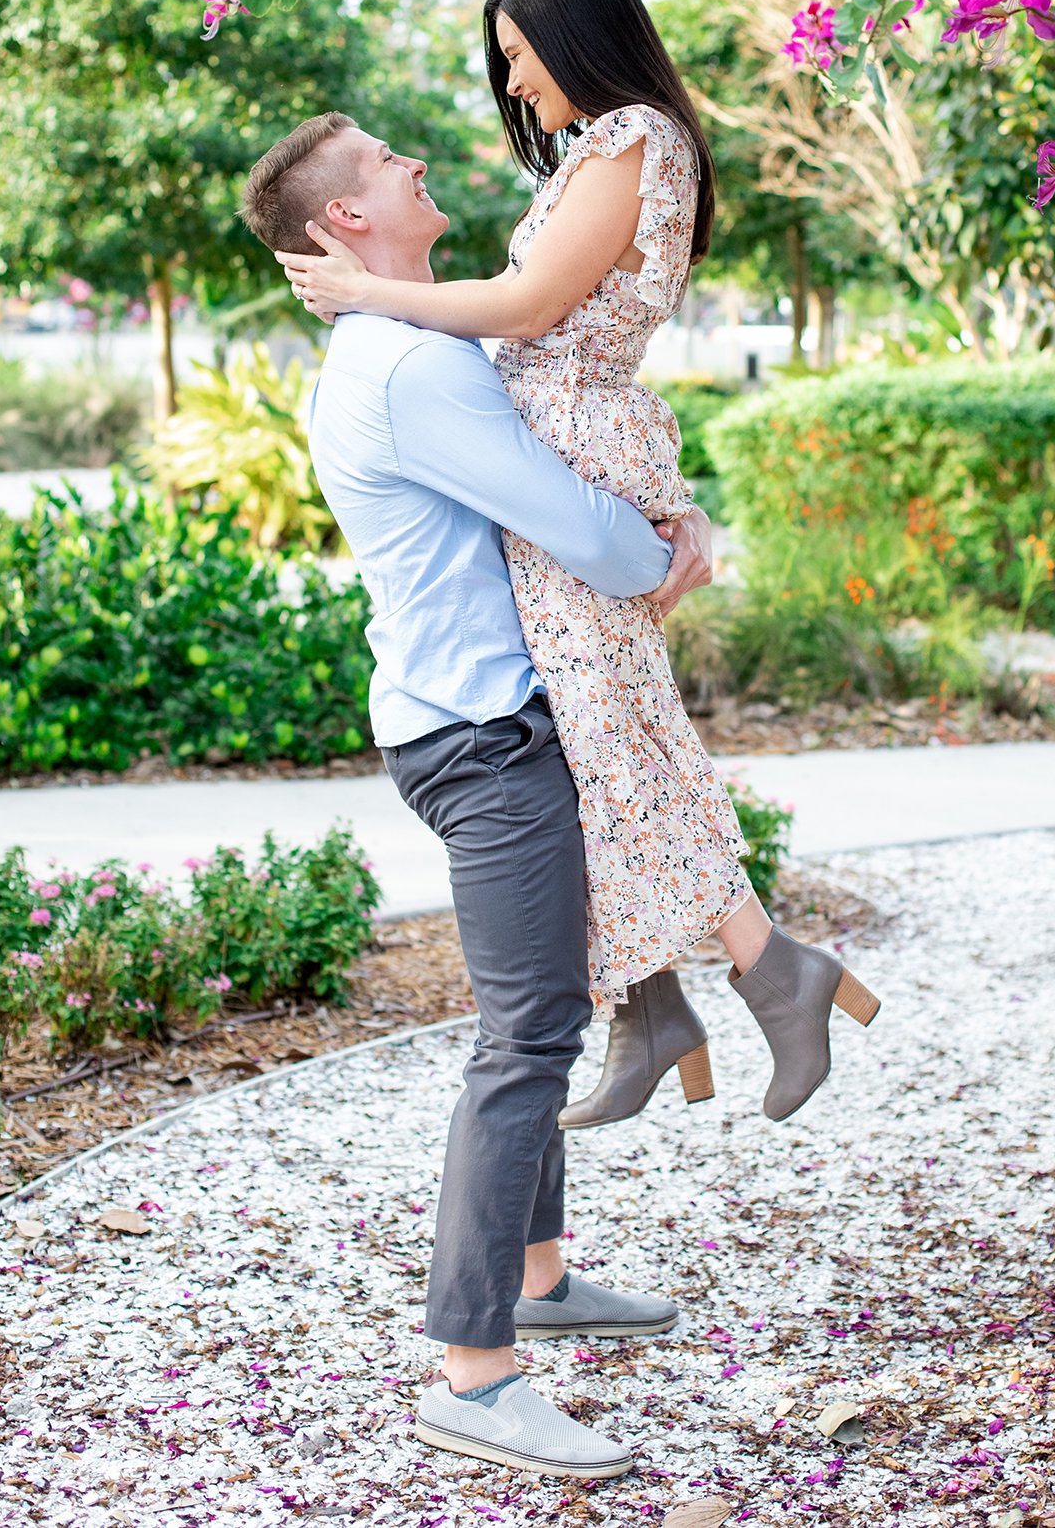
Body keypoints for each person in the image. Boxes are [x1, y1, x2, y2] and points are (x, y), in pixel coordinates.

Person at [275, 0, 879, 1135]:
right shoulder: (598, 149)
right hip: (559, 441)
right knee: (595, 743)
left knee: (615, 737)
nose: (512, 87)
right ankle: (659, 1002)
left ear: (573, 35)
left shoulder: (632, 140)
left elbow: (526, 308)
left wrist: (368, 293)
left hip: (571, 446)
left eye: (517, 58)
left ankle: (756, 976)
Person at [243, 111, 716, 1479]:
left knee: (549, 1009)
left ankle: (538, 1280)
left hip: (483, 723)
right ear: (344, 222)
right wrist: (660, 559)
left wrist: (652, 534)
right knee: (525, 1040)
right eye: (389, 163)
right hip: (481, 739)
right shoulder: (407, 367)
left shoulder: (409, 342)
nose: (415, 165)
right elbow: (559, 517)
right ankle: (471, 1367)